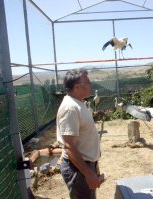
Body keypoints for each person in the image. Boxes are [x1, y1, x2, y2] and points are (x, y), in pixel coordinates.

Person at [57, 68, 105, 199]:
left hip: (84, 166)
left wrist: (93, 164)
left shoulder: (78, 103)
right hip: (78, 169)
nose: (90, 85)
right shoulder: (70, 108)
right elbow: (69, 145)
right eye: (88, 82)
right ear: (77, 87)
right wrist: (88, 174)